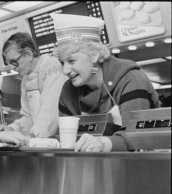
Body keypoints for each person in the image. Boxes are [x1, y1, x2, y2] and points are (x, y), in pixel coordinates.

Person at [50, 13, 161, 152]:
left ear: (94, 55)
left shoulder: (131, 79)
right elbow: (66, 138)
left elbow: (137, 136)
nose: (65, 70)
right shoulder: (68, 91)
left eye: (71, 61)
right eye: (62, 62)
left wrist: (102, 144)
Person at [1, 32, 68, 138]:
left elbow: (50, 114)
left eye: (14, 62)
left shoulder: (51, 66)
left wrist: (30, 138)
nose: (12, 67)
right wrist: (12, 128)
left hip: (62, 138)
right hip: (42, 140)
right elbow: (29, 117)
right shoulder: (25, 79)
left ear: (28, 54)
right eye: (9, 63)